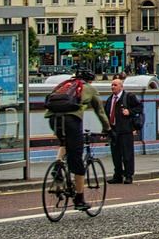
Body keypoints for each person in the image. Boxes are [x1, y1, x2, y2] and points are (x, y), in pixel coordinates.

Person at [45, 68, 111, 212]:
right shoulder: (89, 89)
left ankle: (58, 165)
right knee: (77, 162)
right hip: (71, 120)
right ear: (90, 80)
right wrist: (108, 129)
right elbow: (100, 111)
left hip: (53, 118)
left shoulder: (64, 85)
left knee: (64, 142)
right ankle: (79, 199)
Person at [104, 75, 141, 184]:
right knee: (116, 155)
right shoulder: (110, 99)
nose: (112, 87)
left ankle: (128, 175)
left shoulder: (128, 97)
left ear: (121, 87)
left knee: (127, 154)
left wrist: (129, 111)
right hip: (114, 130)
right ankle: (118, 175)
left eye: (115, 85)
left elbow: (139, 107)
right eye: (112, 85)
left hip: (126, 130)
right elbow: (107, 114)